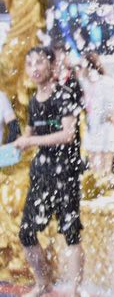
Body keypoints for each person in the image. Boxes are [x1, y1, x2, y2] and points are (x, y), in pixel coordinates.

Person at [12, 47, 84, 297]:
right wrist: (17, 145)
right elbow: (30, 133)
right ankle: (43, 283)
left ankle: (75, 288)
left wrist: (31, 142)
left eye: (39, 62)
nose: (34, 68)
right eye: (29, 63)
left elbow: (67, 134)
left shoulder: (64, 96)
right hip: (40, 175)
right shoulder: (33, 101)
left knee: (71, 232)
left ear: (52, 67)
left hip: (65, 173)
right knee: (26, 232)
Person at [77, 52, 114, 180]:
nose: (80, 70)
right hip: (91, 125)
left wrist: (112, 110)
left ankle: (105, 183)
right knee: (93, 159)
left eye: (82, 66)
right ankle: (96, 182)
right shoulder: (83, 83)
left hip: (105, 125)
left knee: (106, 160)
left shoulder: (104, 82)